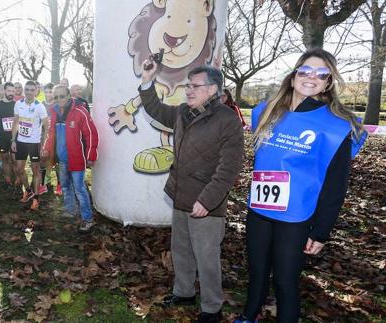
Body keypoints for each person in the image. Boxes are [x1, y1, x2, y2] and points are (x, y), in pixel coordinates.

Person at [237, 49, 367, 323]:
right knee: (257, 272)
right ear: (294, 74)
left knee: (285, 280)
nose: (311, 77)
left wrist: (321, 232)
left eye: (321, 74)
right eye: (305, 70)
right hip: (260, 209)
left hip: (296, 216)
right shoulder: (266, 110)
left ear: (328, 82)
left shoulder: (336, 126)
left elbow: (335, 186)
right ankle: (249, 316)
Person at [139, 59, 244, 323]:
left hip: (206, 204)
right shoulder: (183, 112)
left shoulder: (227, 119)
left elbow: (229, 168)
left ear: (212, 89)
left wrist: (207, 201)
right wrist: (147, 80)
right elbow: (154, 109)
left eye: (194, 86)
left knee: (207, 258)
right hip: (180, 196)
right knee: (181, 250)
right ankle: (184, 293)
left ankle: (212, 308)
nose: (188, 90)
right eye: (188, 85)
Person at [42, 85, 98, 232]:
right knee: (65, 186)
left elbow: (91, 134)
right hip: (62, 159)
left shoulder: (80, 111)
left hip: (77, 159)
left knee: (79, 189)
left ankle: (88, 219)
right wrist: (47, 149)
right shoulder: (53, 112)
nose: (59, 100)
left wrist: (91, 155)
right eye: (56, 97)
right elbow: (51, 133)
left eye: (61, 96)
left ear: (68, 96)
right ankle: (70, 210)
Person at [11, 80, 49, 211]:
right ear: (24, 90)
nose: (29, 92)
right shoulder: (18, 104)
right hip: (21, 141)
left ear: (36, 91)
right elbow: (15, 123)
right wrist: (13, 140)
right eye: (27, 89)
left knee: (35, 170)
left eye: (32, 90)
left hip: (34, 143)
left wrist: (43, 145)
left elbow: (46, 127)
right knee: (19, 169)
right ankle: (28, 190)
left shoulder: (40, 106)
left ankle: (36, 198)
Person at [0, 82, 16, 190]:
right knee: (5, 159)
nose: (11, 93)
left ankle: (17, 180)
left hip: (16, 138)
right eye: (9, 91)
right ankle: (7, 180)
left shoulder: (17, 105)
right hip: (3, 137)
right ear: (4, 91)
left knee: (15, 160)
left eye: (13, 91)